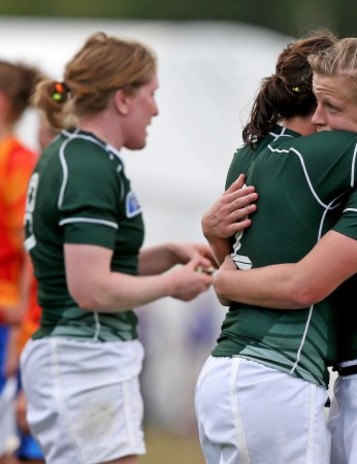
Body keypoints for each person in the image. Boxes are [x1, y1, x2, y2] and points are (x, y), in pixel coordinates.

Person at [195, 32, 357, 464]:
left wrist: (225, 274)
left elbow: (302, 282)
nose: (319, 120)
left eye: (332, 106)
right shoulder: (340, 166)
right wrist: (219, 258)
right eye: (317, 103)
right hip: (332, 381)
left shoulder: (260, 154)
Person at [20, 32, 215, 464]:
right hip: (83, 356)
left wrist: (161, 258)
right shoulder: (87, 163)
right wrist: (170, 283)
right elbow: (91, 289)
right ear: (123, 98)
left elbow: (91, 267)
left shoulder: (80, 155)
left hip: (82, 355)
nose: (157, 109)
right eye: (152, 94)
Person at [0, 59, 43, 464]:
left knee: (11, 445)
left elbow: (31, 250)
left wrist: (19, 332)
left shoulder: (17, 162)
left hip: (7, 322)